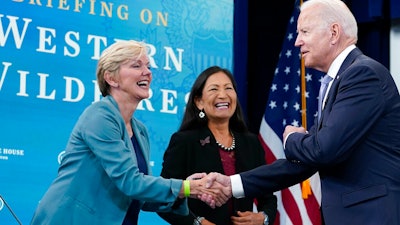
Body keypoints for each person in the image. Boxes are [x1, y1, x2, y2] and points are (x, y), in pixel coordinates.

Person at [203, 0, 400, 224]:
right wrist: (232, 185)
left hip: (371, 216)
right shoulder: (339, 82)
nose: (297, 42)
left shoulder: (363, 75)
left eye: (304, 31)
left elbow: (323, 149)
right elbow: (308, 160)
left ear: (333, 32)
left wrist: (292, 139)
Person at [29, 40, 227, 225]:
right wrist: (185, 187)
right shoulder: (100, 115)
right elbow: (130, 182)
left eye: (148, 66)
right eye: (137, 66)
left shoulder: (139, 130)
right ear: (111, 78)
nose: (147, 72)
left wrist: (186, 191)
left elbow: (140, 196)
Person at [157, 66, 277, 225]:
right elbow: (163, 197)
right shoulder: (184, 141)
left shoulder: (251, 143)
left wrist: (263, 218)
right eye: (214, 89)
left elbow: (267, 197)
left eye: (229, 88)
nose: (223, 95)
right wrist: (197, 222)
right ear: (199, 102)